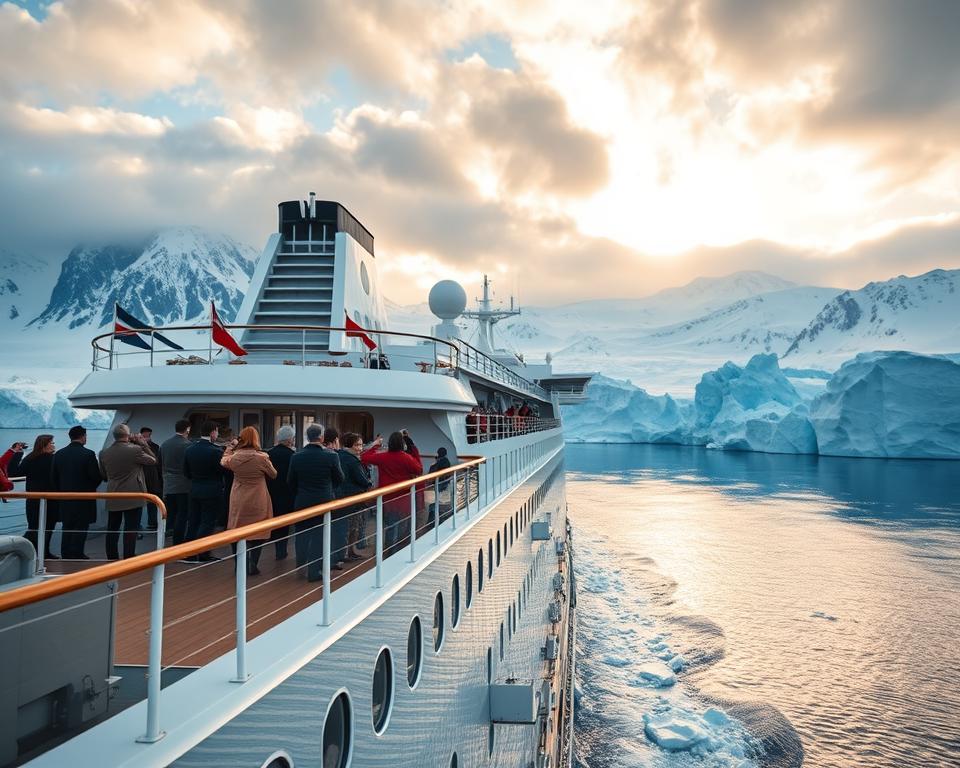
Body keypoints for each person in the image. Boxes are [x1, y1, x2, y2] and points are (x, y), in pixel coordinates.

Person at [287, 423, 344, 582]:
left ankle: (300, 566)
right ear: (322, 437)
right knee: (319, 536)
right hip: (324, 501)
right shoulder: (331, 456)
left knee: (302, 535)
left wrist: (300, 493)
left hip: (302, 501)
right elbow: (340, 478)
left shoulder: (296, 456)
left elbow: (290, 482)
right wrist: (329, 489)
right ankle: (314, 571)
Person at [221, 426, 277, 576]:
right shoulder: (262, 458)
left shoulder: (234, 458)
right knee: (258, 531)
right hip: (258, 497)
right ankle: (253, 563)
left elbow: (223, 461)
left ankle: (239, 564)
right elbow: (273, 474)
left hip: (238, 496)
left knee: (236, 529)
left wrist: (230, 448)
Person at [99, 424, 157, 560]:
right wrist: (143, 444)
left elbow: (104, 476)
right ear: (127, 435)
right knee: (131, 527)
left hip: (113, 494)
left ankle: (112, 556)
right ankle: (129, 556)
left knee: (112, 527)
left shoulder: (104, 453)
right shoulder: (135, 450)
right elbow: (153, 460)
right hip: (133, 494)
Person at [361, 430, 422, 548]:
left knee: (390, 526)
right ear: (402, 444)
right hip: (404, 497)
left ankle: (389, 551)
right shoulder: (407, 458)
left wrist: (376, 444)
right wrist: (412, 445)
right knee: (401, 526)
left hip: (386, 498)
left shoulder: (383, 457)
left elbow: (364, 457)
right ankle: (398, 550)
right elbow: (419, 470)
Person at [51, 425, 102, 559]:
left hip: (65, 497)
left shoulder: (59, 454)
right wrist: (89, 488)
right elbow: (95, 477)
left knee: (67, 525)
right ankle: (77, 553)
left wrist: (61, 491)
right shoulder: (88, 454)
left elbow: (54, 477)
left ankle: (65, 552)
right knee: (81, 526)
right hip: (84, 497)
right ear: (83, 436)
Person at [9, 435, 60, 557]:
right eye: (51, 443)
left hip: (33, 499)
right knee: (48, 527)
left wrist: (17, 454)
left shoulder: (30, 458)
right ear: (44, 445)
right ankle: (43, 552)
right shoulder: (54, 459)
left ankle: (25, 551)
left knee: (34, 527)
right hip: (51, 499)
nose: (53, 445)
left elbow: (14, 473)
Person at [182, 420, 226, 562]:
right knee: (207, 522)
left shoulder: (190, 449)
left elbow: (186, 473)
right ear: (213, 432)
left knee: (193, 521)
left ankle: (189, 552)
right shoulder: (216, 451)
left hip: (194, 489)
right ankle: (203, 553)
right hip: (212, 490)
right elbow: (222, 471)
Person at [337, 432, 373, 561]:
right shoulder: (352, 460)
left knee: (347, 527)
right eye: (357, 445)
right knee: (352, 526)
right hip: (353, 497)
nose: (360, 448)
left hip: (342, 496)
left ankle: (347, 552)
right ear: (350, 445)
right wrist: (369, 483)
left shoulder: (339, 456)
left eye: (361, 445)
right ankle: (348, 552)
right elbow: (362, 479)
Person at [266, 425, 296, 560]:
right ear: (290, 440)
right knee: (284, 524)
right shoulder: (293, 456)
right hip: (287, 493)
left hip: (271, 492)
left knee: (273, 521)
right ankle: (281, 550)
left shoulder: (269, 454)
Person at [161, 419, 192, 544]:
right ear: (187, 429)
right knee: (182, 514)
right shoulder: (188, 445)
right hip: (183, 484)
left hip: (168, 484)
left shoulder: (165, 444)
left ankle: (165, 536)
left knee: (171, 513)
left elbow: (161, 463)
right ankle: (178, 541)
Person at [139, 427, 163, 530]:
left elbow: (158, 463)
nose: (147, 438)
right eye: (144, 436)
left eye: (148, 436)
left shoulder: (156, 447)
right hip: (141, 476)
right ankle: (138, 524)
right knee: (139, 502)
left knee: (153, 501)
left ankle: (153, 522)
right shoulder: (136, 448)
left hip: (153, 477)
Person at [428, 446, 453, 524]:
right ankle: (444, 515)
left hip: (437, 482)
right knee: (442, 501)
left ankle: (432, 518)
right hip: (444, 482)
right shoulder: (446, 461)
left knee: (436, 501)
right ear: (445, 454)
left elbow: (431, 472)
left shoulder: (436, 462)